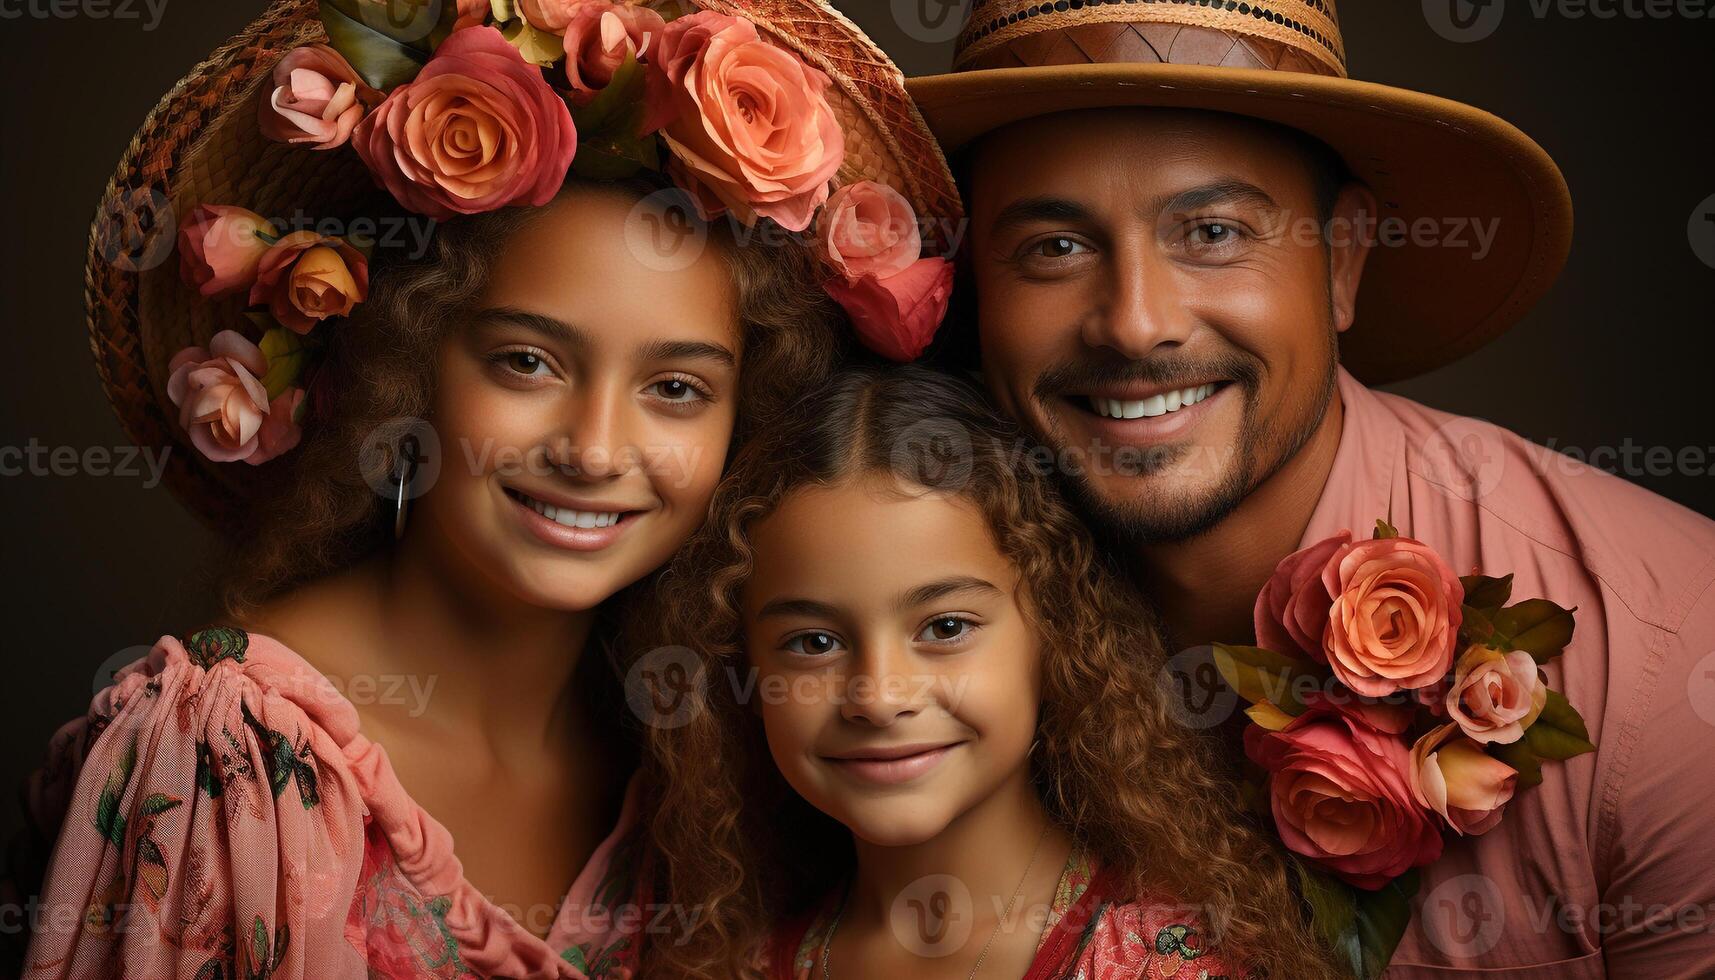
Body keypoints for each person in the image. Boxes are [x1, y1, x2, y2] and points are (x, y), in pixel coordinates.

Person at [7, 0, 962, 976]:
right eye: (526, 364)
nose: (594, 449)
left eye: (674, 388)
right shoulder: (224, 752)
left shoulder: (710, 755)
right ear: (405, 371)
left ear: (739, 428)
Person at [905, 1, 1715, 976]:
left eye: (1209, 230)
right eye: (1053, 248)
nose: (1131, 323)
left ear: (1341, 259)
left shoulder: (1670, 657)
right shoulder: (877, 627)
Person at [630, 365, 1337, 979]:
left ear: (1054, 635)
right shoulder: (727, 961)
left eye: (944, 628)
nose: (879, 697)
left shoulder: (1171, 963)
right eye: (813, 642)